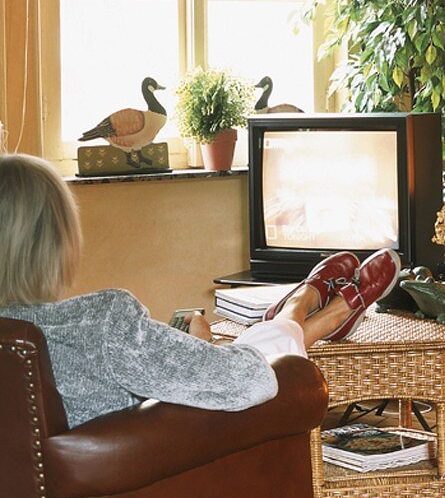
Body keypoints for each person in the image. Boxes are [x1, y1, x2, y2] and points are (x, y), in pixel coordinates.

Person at [0, 153, 401, 428]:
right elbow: (250, 382)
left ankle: (297, 315)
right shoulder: (104, 324)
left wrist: (170, 352)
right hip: (154, 495)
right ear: (56, 241)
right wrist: (200, 351)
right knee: (257, 362)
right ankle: (304, 316)